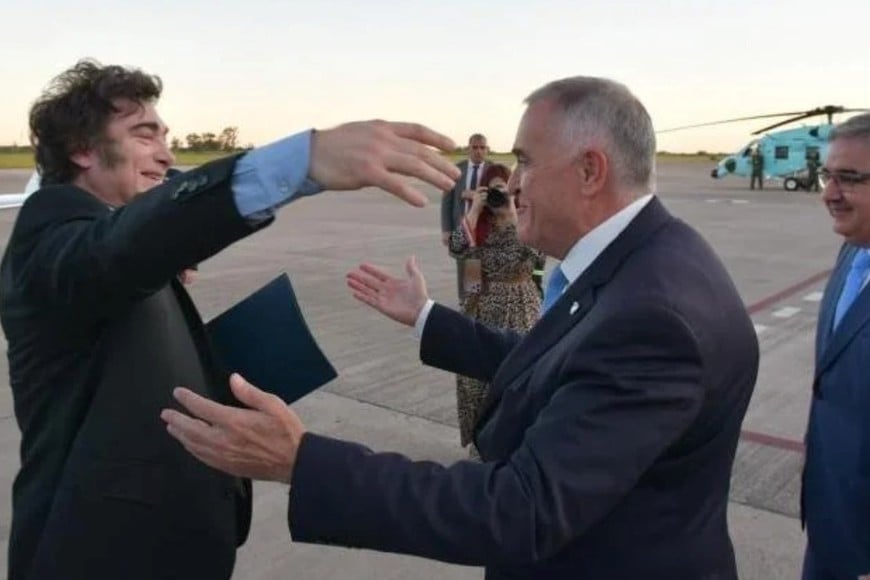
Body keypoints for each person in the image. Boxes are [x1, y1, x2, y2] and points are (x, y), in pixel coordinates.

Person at [161, 75, 760, 579]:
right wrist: (426, 318)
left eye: (525, 160)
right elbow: (557, 363)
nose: (512, 182)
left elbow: (520, 511)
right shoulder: (644, 257)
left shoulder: (653, 318)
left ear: (589, 171)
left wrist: (303, 461)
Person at [0, 58, 459, 580]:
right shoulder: (50, 241)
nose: (167, 154)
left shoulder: (111, 242)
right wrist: (301, 161)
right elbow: (119, 250)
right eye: (144, 134)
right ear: (82, 149)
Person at [801, 112, 870, 580]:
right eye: (828, 176)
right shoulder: (851, 250)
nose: (829, 192)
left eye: (849, 178)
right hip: (830, 519)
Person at [448, 162, 543, 458]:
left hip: (520, 309)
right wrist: (474, 210)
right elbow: (458, 250)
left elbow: (535, 253)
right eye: (493, 191)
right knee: (477, 382)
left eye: (504, 189)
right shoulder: (479, 225)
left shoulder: (529, 219)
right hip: (483, 309)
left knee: (519, 378)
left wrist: (513, 213)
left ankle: (516, 445)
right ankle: (481, 443)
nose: (499, 196)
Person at [441, 133, 489, 300]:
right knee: (465, 269)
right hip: (462, 229)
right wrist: (446, 229)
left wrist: (473, 194)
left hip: (485, 230)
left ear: (487, 150)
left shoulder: (494, 170)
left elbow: (502, 199)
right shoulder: (456, 170)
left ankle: (479, 308)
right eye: (475, 147)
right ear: (468, 149)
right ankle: (467, 308)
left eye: (482, 148)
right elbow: (447, 202)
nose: (478, 151)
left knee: (480, 271)